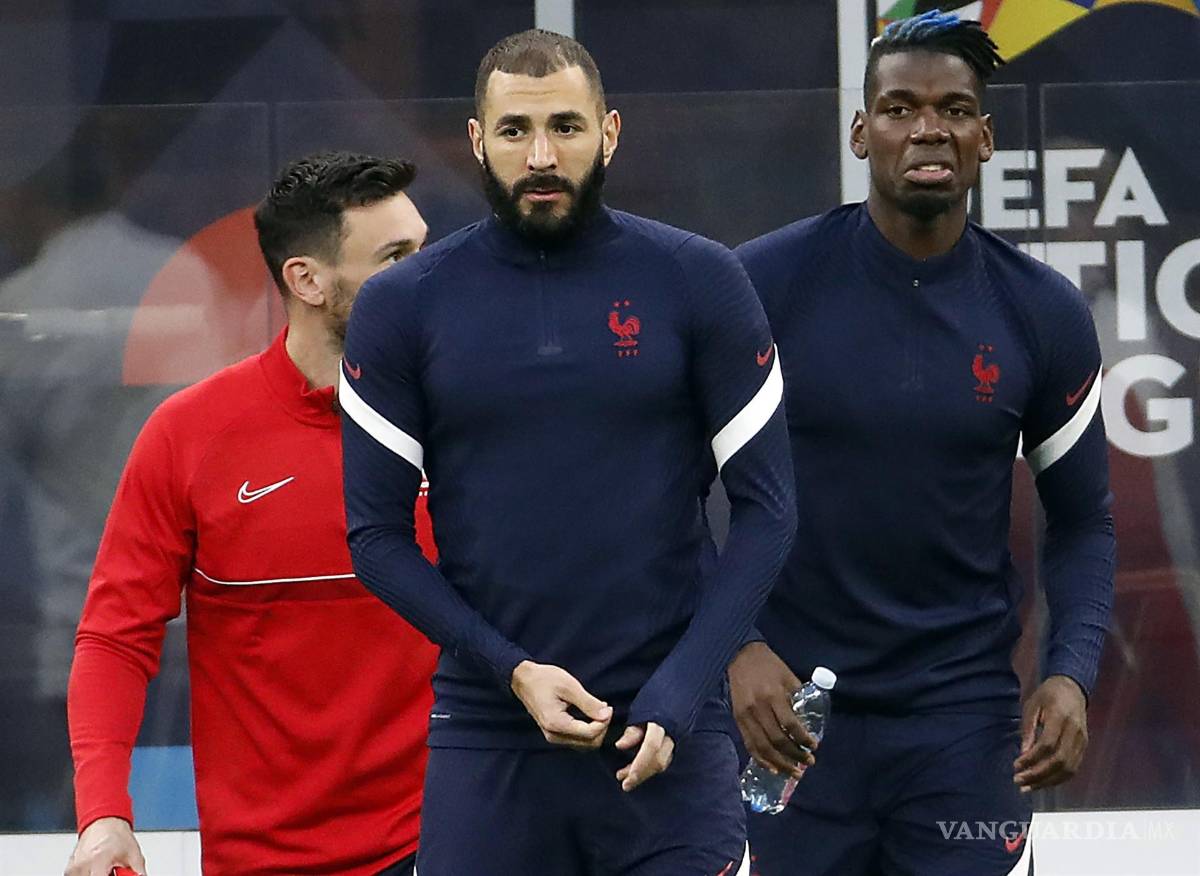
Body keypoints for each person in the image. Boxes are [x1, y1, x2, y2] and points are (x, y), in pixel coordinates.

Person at [339, 28, 796, 876]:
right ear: (477, 141)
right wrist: (511, 672)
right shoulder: (403, 306)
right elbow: (375, 538)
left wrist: (682, 690)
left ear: (610, 133)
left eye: (567, 127)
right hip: (488, 735)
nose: (541, 154)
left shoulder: (700, 279)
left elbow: (770, 512)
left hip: (668, 739)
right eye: (514, 131)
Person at [732, 11, 1115, 876]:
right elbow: (671, 486)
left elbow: (1085, 521)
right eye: (900, 108)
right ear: (862, 132)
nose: (928, 127)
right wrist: (737, 649)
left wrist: (1071, 672)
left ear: (985, 136)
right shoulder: (763, 285)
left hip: (963, 725)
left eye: (953, 108)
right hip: (794, 716)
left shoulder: (1040, 311)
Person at [66, 151, 438, 876]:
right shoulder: (189, 436)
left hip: (439, 846)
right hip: (263, 860)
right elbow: (115, 639)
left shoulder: (466, 423)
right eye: (396, 258)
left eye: (425, 250)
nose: (427, 277)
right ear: (307, 280)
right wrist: (104, 813)